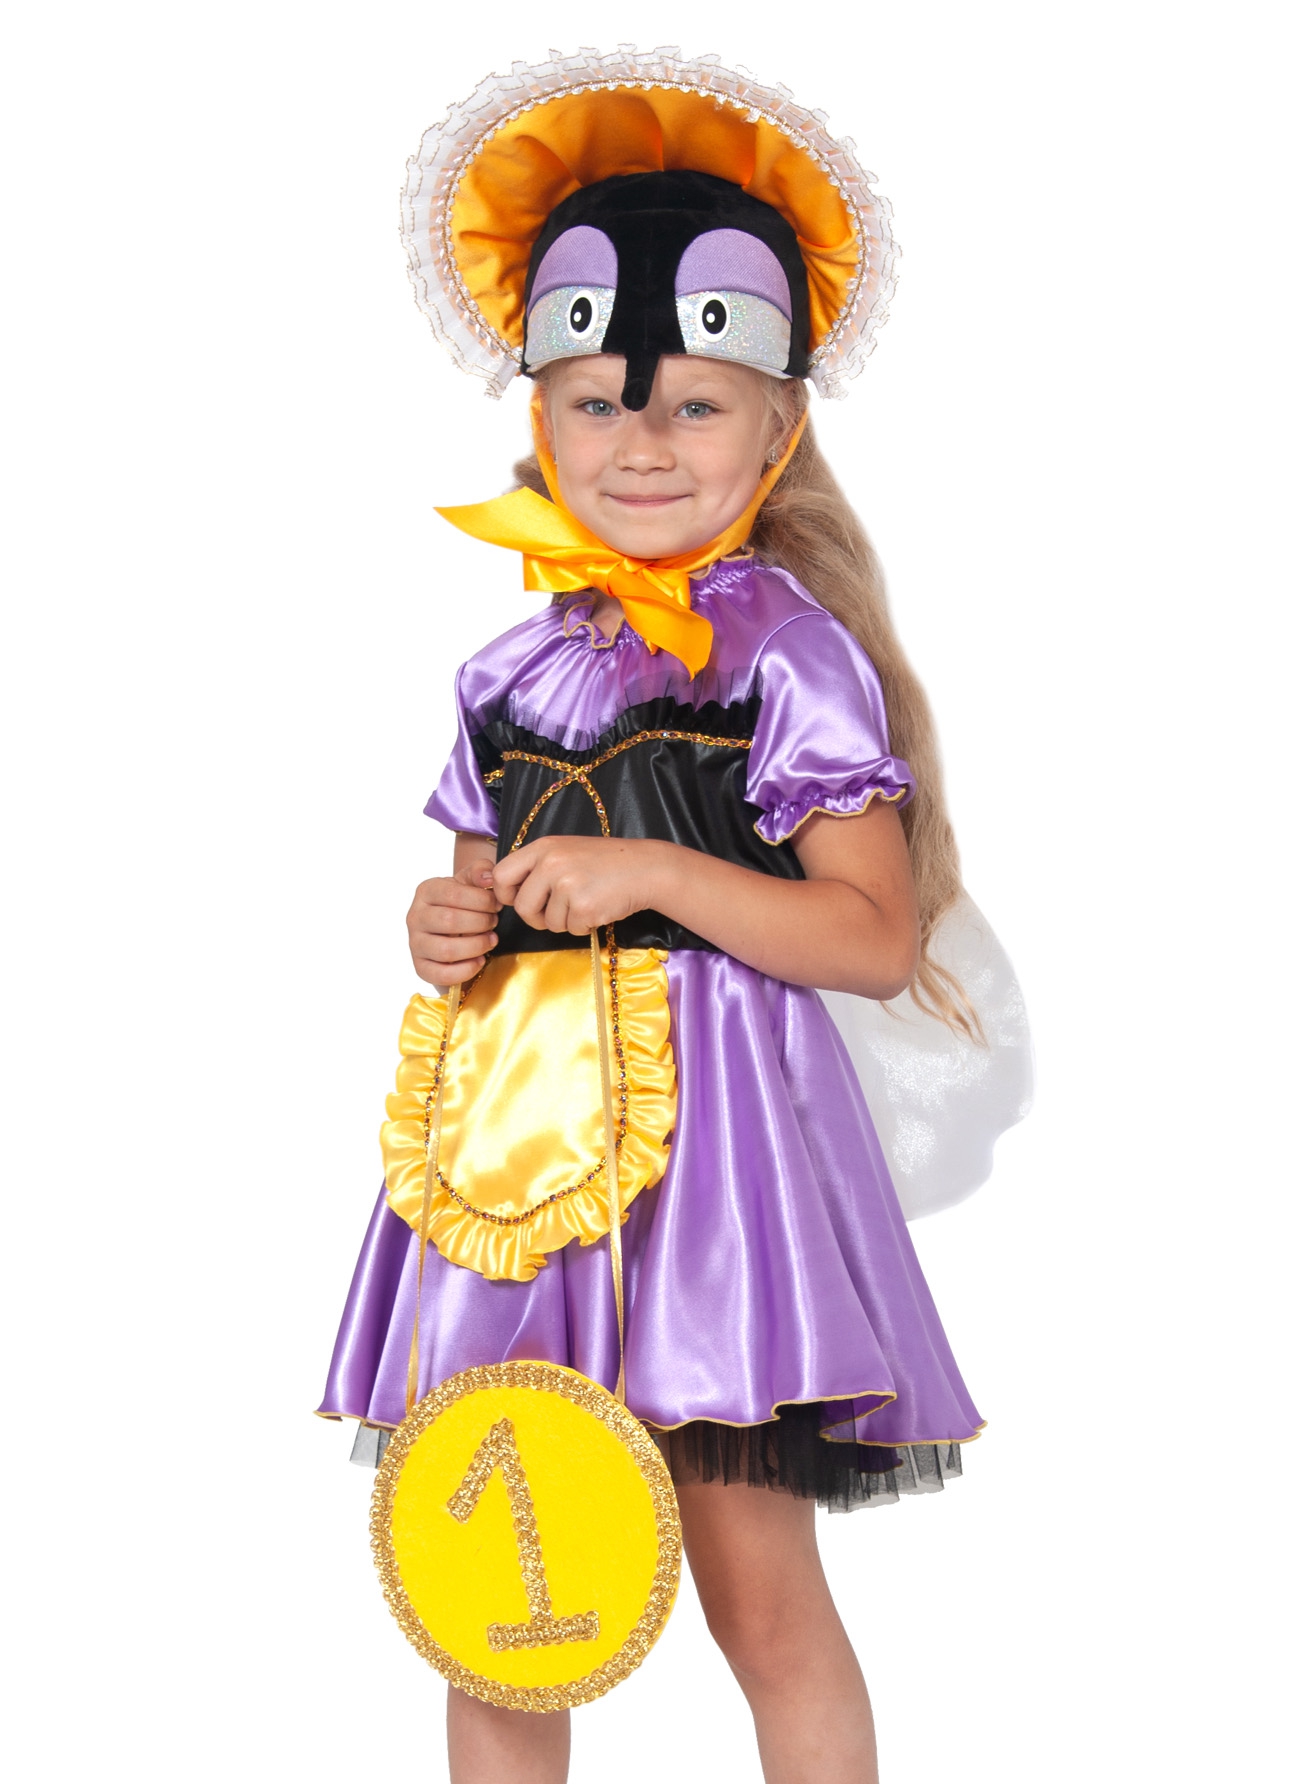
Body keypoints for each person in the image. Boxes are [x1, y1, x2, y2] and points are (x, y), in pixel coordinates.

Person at [319, 50, 1012, 1784]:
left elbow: (867, 936)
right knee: (501, 1602)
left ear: (777, 429)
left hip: (716, 1193)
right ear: (539, 419)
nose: (640, 444)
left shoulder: (787, 653)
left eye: (695, 407)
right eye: (597, 406)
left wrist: (657, 877)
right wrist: (444, 928)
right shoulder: (508, 667)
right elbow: (474, 887)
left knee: (756, 1605)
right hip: (513, 1174)